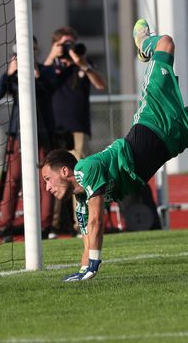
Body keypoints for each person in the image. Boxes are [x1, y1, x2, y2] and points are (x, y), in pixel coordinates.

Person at [40, 19, 188, 281]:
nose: (46, 187)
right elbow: (88, 237)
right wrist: (81, 272)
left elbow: (96, 222)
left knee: (165, 43)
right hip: (179, 136)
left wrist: (93, 266)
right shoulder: (81, 202)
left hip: (154, 119)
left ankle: (144, 43)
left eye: (47, 179)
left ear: (65, 170)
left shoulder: (86, 170)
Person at [0, 37, 64, 243]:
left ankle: (44, 226)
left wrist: (37, 77)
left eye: (32, 48)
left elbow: (50, 92)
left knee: (46, 180)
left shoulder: (45, 71)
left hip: (41, 133)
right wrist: (8, 73)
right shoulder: (13, 74)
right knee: (13, 180)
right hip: (18, 134)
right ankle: (6, 228)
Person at [43, 26, 107, 235]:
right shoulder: (51, 69)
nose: (68, 47)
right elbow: (37, 81)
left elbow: (100, 85)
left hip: (78, 128)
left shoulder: (83, 64)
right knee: (53, 178)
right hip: (55, 129)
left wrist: (81, 63)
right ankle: (53, 225)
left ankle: (80, 224)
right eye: (64, 43)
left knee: (78, 175)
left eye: (71, 42)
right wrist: (53, 55)